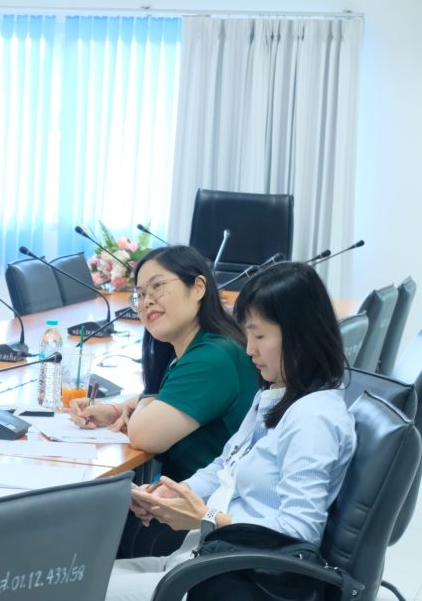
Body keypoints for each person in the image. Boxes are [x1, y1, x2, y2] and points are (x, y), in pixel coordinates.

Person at [104, 261, 357, 600]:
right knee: (79, 579)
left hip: (240, 577)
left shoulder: (313, 419)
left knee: (70, 590)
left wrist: (205, 517)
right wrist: (173, 495)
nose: (249, 349)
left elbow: (299, 531)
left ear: (300, 335)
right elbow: (226, 465)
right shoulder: (276, 393)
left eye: (260, 336)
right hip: (207, 559)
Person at [71, 246, 259, 483]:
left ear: (198, 288)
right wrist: (115, 411)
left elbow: (144, 436)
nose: (147, 301)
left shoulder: (212, 357)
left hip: (209, 503)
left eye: (157, 286)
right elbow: (168, 396)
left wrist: (147, 398)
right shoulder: (195, 347)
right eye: (140, 294)